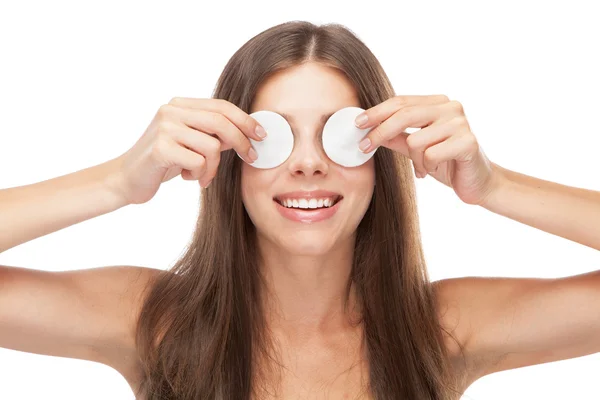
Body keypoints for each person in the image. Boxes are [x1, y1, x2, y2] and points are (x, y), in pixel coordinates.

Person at [0, 20, 598, 400]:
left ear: (382, 159)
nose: (309, 164)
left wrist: (493, 186)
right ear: (229, 157)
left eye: (339, 135)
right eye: (274, 137)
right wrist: (114, 183)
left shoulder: (444, 328)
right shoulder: (149, 320)